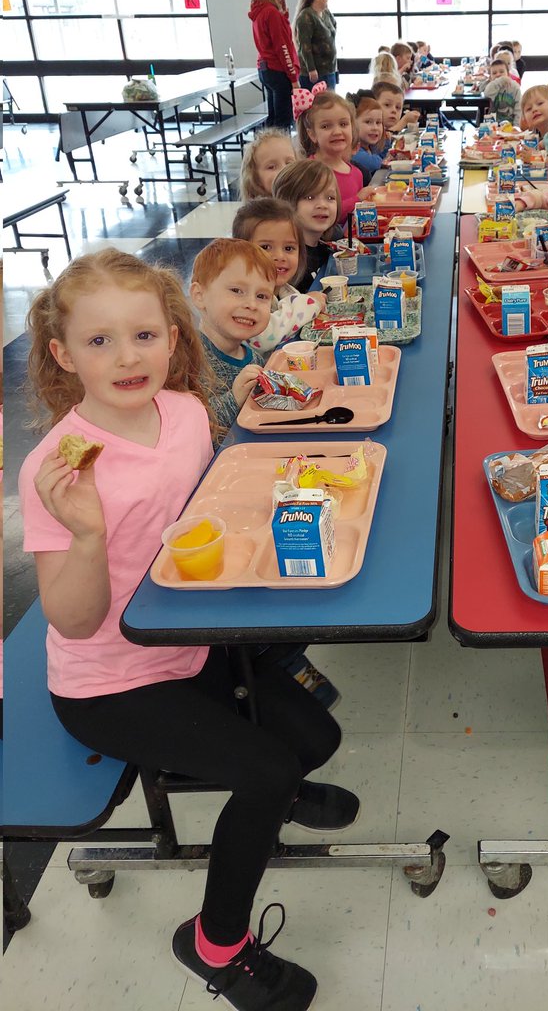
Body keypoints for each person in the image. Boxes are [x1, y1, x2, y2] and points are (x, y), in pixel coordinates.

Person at [20, 247, 356, 1009]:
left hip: (188, 638)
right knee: (271, 768)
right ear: (63, 354)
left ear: (173, 338)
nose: (127, 356)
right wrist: (86, 537)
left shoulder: (183, 413)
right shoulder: (61, 468)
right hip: (109, 681)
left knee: (317, 739)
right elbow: (72, 623)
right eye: (99, 341)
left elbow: (211, 505)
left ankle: (273, 797)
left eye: (144, 334)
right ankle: (216, 942)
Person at [189, 238, 277, 428]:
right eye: (237, 290)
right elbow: (187, 429)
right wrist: (234, 399)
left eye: (262, 296)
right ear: (199, 295)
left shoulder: (254, 359)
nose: (252, 305)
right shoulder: (187, 358)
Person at [231, 198, 325, 355]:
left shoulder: (284, 290)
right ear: (241, 252)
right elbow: (262, 338)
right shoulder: (243, 296)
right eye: (266, 247)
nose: (279, 256)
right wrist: (309, 302)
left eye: (289, 248)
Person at [297, 92, 373, 226]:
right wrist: (357, 199)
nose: (337, 132)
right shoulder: (308, 173)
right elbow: (317, 215)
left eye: (343, 124)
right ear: (312, 134)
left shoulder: (357, 173)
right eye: (326, 126)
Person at [272, 160, 340, 293]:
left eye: (330, 198)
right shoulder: (288, 261)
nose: (323, 205)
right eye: (310, 197)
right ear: (286, 202)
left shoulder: (325, 249)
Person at [248, 0, 301, 131]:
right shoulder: (271, 13)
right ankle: (280, 154)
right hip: (278, 70)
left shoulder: (261, 11)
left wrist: (282, 14)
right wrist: (293, 78)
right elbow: (282, 48)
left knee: (273, 118)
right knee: (282, 122)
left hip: (266, 69)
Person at [292, 0, 338, 90]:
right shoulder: (306, 16)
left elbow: (333, 32)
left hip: (329, 69)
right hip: (315, 73)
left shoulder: (326, 13)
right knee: (318, 104)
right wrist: (311, 69)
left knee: (331, 103)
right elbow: (305, 45)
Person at [238, 129, 298, 201]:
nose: (284, 170)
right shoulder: (257, 212)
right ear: (255, 178)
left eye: (289, 163)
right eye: (271, 167)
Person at [346, 93, 385, 182]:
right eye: (368, 122)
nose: (375, 127)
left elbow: (383, 155)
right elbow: (375, 163)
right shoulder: (354, 151)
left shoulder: (370, 147)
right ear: (352, 123)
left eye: (378, 122)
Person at [483, 57, 522, 125]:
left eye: (501, 72)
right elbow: (487, 95)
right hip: (492, 124)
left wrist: (516, 126)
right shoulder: (491, 86)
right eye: (494, 73)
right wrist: (499, 81)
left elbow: (519, 109)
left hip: (511, 124)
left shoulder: (515, 87)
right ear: (490, 77)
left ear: (508, 74)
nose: (498, 74)